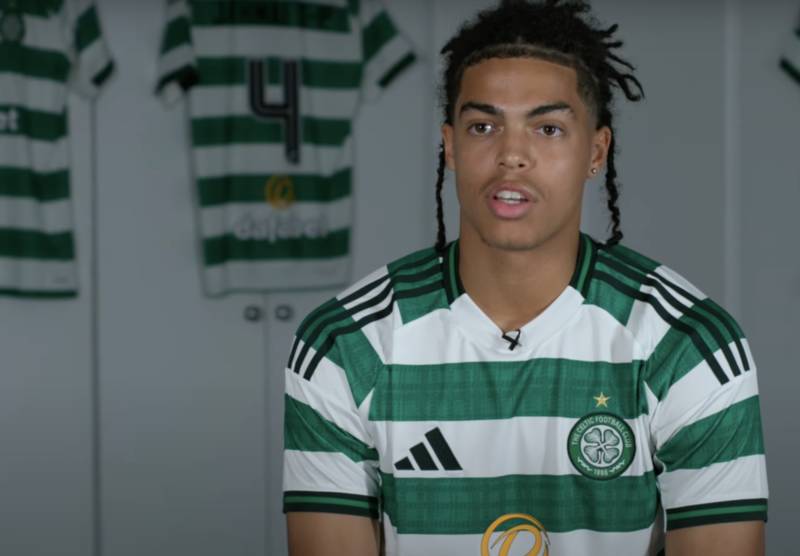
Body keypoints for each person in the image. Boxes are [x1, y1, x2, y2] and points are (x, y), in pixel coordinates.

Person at [281, 1, 768, 554]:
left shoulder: (689, 346)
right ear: (450, 146)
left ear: (596, 151)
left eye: (549, 128)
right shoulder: (345, 345)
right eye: (483, 126)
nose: (512, 155)